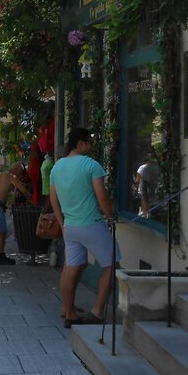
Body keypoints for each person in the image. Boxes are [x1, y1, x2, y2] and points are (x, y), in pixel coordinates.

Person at [50, 127, 119, 328]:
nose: (91, 145)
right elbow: (102, 196)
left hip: (70, 226)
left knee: (71, 268)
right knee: (111, 264)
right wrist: (110, 216)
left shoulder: (57, 167)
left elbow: (54, 201)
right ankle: (97, 311)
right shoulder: (91, 165)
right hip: (91, 224)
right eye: (89, 142)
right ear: (81, 144)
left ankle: (68, 311)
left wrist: (62, 224)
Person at [0, 163, 30, 265]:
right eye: (19, 173)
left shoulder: (0, 174)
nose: (19, 176)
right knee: (1, 232)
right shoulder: (10, 176)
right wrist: (31, 198)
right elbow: (23, 190)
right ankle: (1, 255)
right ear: (16, 170)